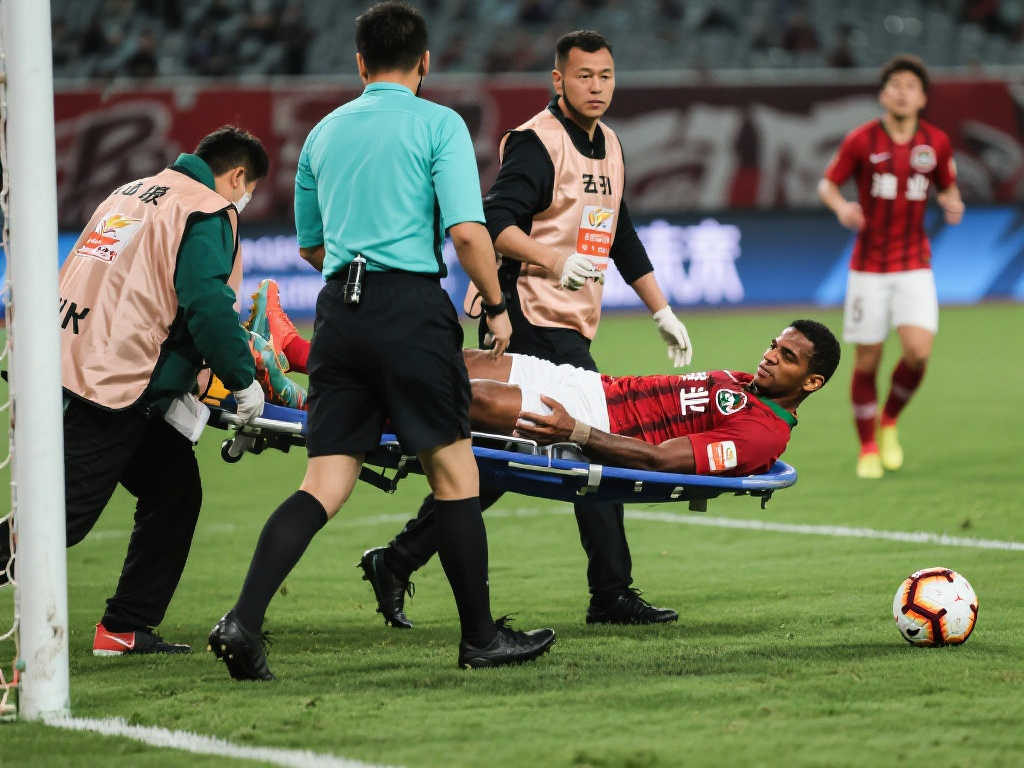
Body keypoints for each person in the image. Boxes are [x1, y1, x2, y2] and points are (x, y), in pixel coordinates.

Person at [208, 2, 555, 681]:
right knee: (456, 473)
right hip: (410, 309)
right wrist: (497, 304)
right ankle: (480, 638)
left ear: (360, 63)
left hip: (340, 312)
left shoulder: (323, 133)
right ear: (425, 62)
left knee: (323, 482)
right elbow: (467, 232)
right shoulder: (439, 124)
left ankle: (242, 622)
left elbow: (312, 247)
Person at [354, 29, 695, 631]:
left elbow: (620, 234)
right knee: (593, 444)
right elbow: (493, 223)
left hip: (567, 324)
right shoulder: (538, 143)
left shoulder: (611, 145)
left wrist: (661, 311)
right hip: (528, 320)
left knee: (500, 464)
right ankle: (610, 593)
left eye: (606, 76)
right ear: (558, 80)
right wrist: (554, 262)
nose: (597, 87)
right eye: (584, 76)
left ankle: (397, 559)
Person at [0, 126, 270, 655]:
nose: (245, 201)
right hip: (110, 379)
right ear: (238, 176)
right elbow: (206, 303)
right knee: (58, 522)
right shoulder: (205, 211)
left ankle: (124, 626)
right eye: (249, 190)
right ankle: (122, 624)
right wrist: (242, 380)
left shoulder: (131, 192)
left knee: (174, 492)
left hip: (70, 359)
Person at [242, 314, 838, 479]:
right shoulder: (745, 384)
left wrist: (577, 433)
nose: (770, 356)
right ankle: (296, 351)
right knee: (448, 362)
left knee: (461, 395)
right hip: (592, 387)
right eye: (773, 345)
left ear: (811, 383)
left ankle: (305, 400)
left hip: (588, 422)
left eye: (786, 358)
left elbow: (661, 460)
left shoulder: (761, 435)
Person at [817, 55, 964, 479]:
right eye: (895, 84)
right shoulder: (862, 140)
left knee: (918, 353)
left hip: (915, 263)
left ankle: (890, 420)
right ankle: (867, 447)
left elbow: (948, 187)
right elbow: (828, 184)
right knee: (867, 361)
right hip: (868, 268)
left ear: (922, 98)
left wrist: (952, 203)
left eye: (910, 86)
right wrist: (842, 207)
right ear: (883, 94)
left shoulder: (935, 143)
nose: (902, 92)